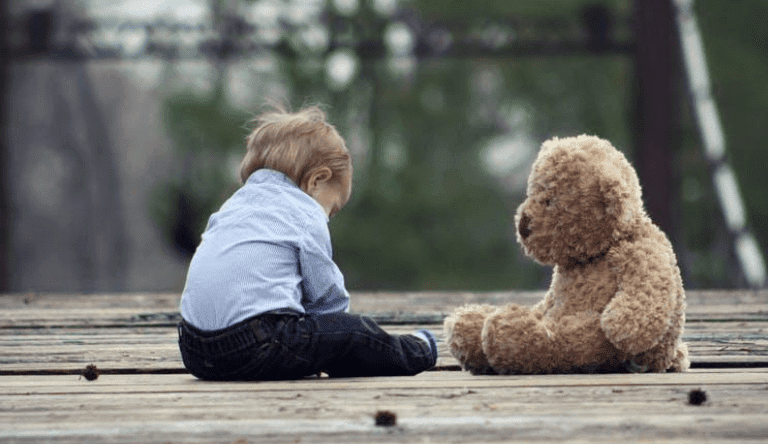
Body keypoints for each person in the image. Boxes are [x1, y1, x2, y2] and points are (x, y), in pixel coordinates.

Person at [178, 105, 438, 380]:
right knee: (354, 333)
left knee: (317, 338)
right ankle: (419, 350)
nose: (328, 217)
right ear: (317, 180)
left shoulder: (232, 206)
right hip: (255, 345)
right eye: (333, 208)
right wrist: (335, 334)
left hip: (194, 351)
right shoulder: (303, 212)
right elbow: (327, 298)